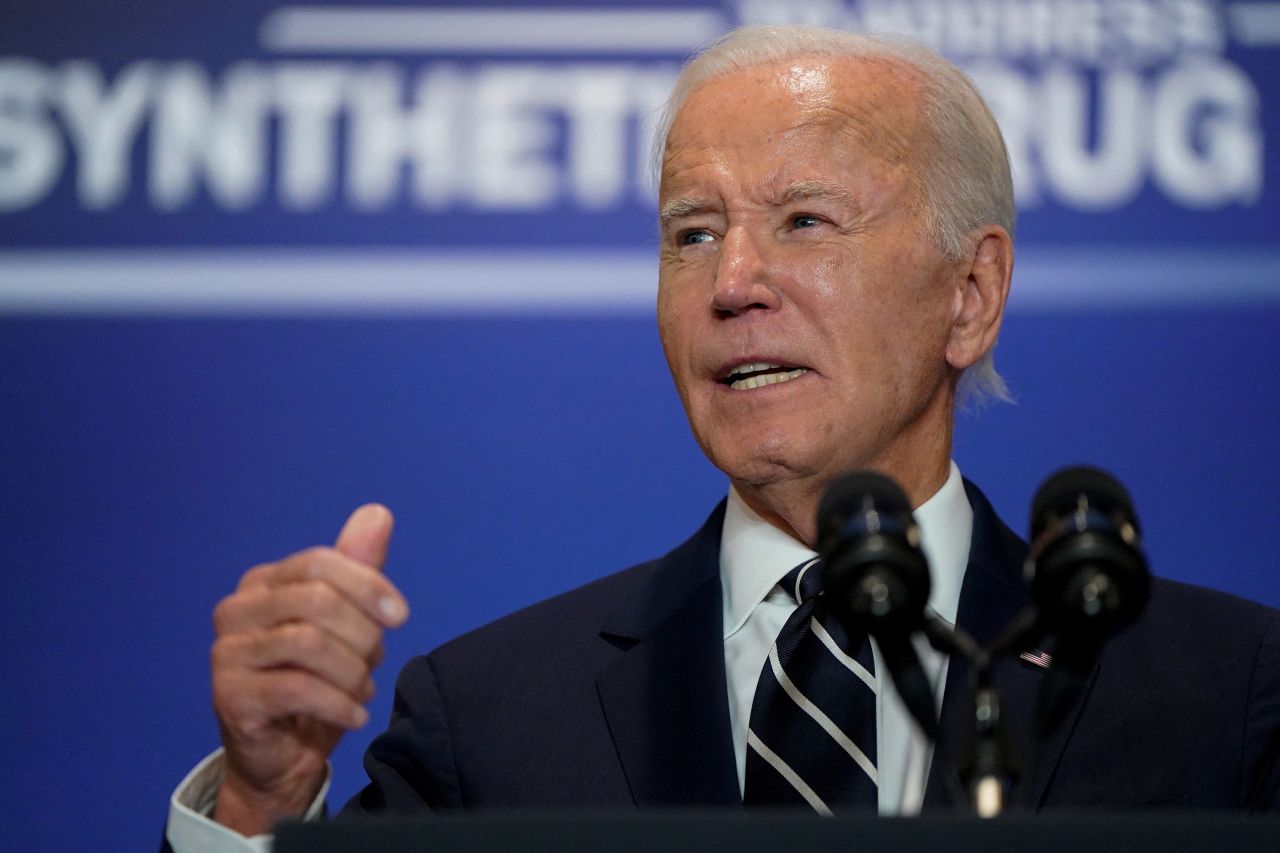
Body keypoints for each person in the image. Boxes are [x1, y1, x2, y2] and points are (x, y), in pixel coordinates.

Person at [164, 24, 1280, 852]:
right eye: (690, 234)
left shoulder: (1218, 693)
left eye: (802, 220)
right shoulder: (492, 716)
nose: (732, 283)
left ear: (969, 294)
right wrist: (264, 801)